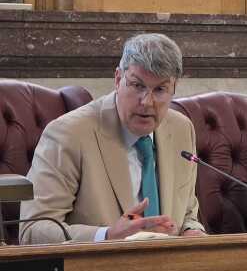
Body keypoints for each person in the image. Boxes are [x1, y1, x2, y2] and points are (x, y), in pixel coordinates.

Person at [19, 33, 206, 244]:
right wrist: (106, 235)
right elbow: (32, 230)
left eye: (160, 89)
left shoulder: (181, 129)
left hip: (169, 270)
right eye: (138, 86)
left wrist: (192, 231)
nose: (147, 102)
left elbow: (188, 212)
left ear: (173, 89)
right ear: (118, 79)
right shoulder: (68, 134)